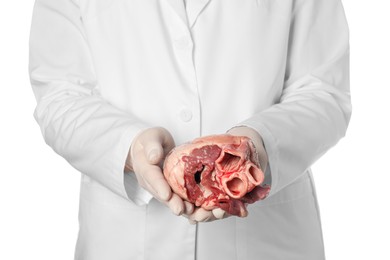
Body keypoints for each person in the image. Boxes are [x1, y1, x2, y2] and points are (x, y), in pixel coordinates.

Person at [29, 0, 351, 259]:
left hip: (267, 242)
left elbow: (324, 92)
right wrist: (128, 149)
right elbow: (60, 93)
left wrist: (257, 144)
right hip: (123, 243)